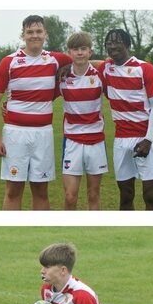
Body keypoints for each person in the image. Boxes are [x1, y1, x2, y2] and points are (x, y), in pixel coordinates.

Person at [0, 15, 73, 210]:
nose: (35, 35)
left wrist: (110, 63)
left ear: (45, 34)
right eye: (30, 32)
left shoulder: (56, 59)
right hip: (15, 135)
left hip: (43, 134)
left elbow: (83, 62)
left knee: (41, 190)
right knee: (13, 190)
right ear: (23, 34)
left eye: (39, 31)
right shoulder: (9, 62)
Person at [98, 29, 153, 210]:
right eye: (108, 43)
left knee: (150, 194)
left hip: (146, 139)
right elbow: (85, 63)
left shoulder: (144, 68)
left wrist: (148, 140)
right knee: (125, 194)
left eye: (116, 42)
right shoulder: (106, 68)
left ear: (126, 43)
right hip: (121, 141)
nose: (112, 46)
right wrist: (67, 66)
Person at [58, 32, 108, 210]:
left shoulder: (100, 74)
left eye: (83, 49)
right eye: (75, 49)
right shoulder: (61, 77)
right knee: (70, 196)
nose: (79, 53)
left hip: (96, 142)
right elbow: (38, 93)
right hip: (72, 142)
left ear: (90, 52)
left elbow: (112, 65)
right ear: (69, 52)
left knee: (93, 194)